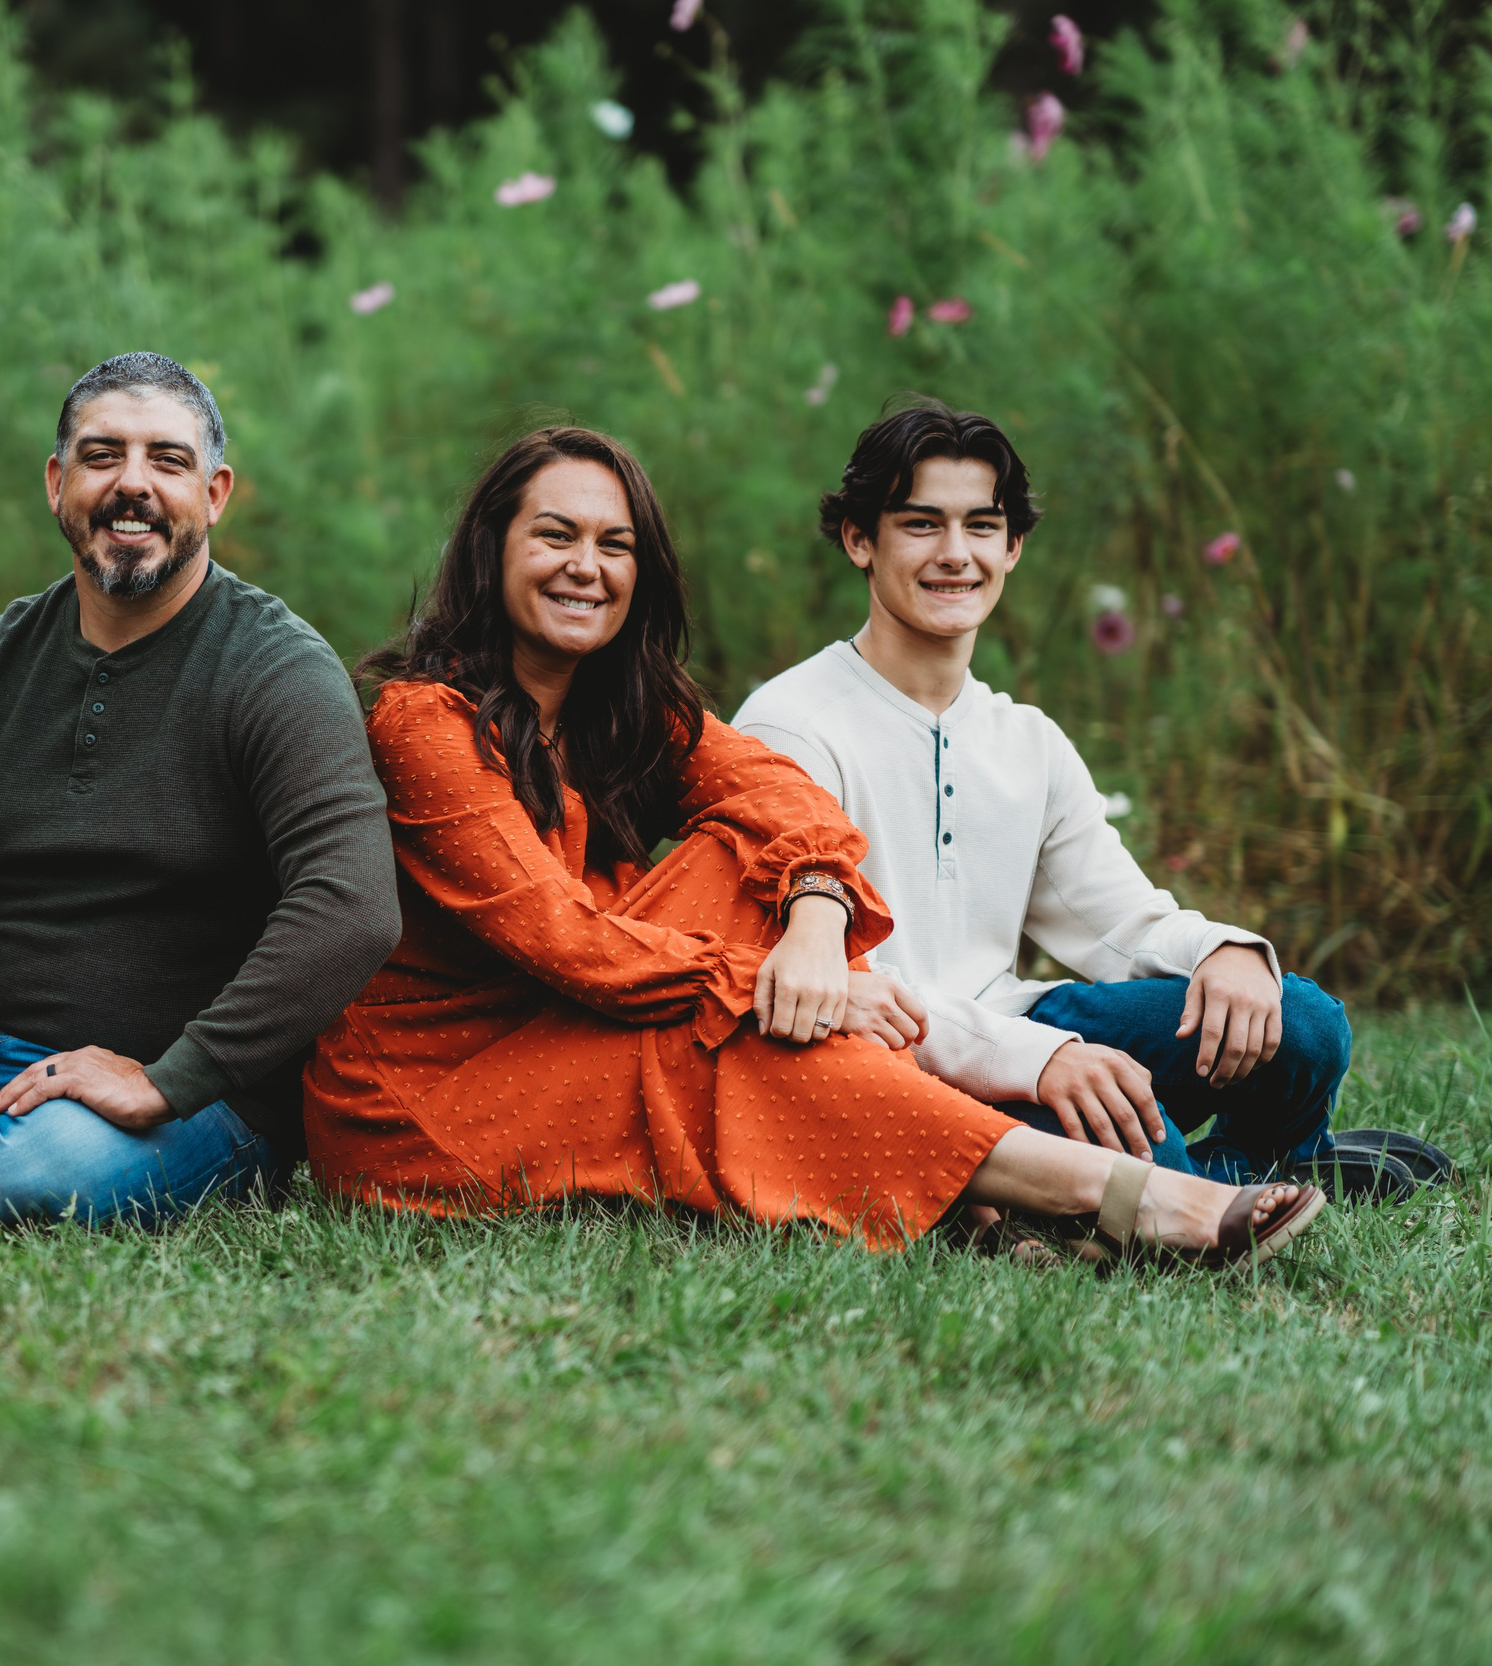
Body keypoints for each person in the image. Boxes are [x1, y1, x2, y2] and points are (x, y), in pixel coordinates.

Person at [303, 424, 1325, 1264]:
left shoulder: (634, 710)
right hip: (440, 1091)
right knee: (757, 1023)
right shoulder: (424, 725)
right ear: (492, 550)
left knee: (746, 877)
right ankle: (1126, 1198)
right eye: (554, 537)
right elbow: (562, 940)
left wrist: (816, 917)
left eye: (612, 545)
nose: (586, 567)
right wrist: (774, 978)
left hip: (600, 1027)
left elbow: (782, 805)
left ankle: (1011, 1204)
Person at [733, 398, 1447, 1197]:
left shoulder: (1026, 739)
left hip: (1016, 1023)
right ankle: (1223, 1180)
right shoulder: (791, 726)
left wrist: (1222, 951)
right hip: (898, 1068)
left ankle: (1250, 1167)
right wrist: (1042, 1062)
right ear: (860, 540)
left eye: (981, 526)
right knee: (1148, 1153)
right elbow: (851, 985)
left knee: (1303, 1022)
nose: (955, 554)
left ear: (1014, 548)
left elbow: (1116, 921)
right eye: (922, 524)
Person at [0, 352, 404, 1222]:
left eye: (168, 460)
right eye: (103, 455)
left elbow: (353, 907)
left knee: (28, 1178)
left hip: (185, 1105)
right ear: (57, 482)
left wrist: (168, 1081)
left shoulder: (274, 669)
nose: (132, 484)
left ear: (216, 492)